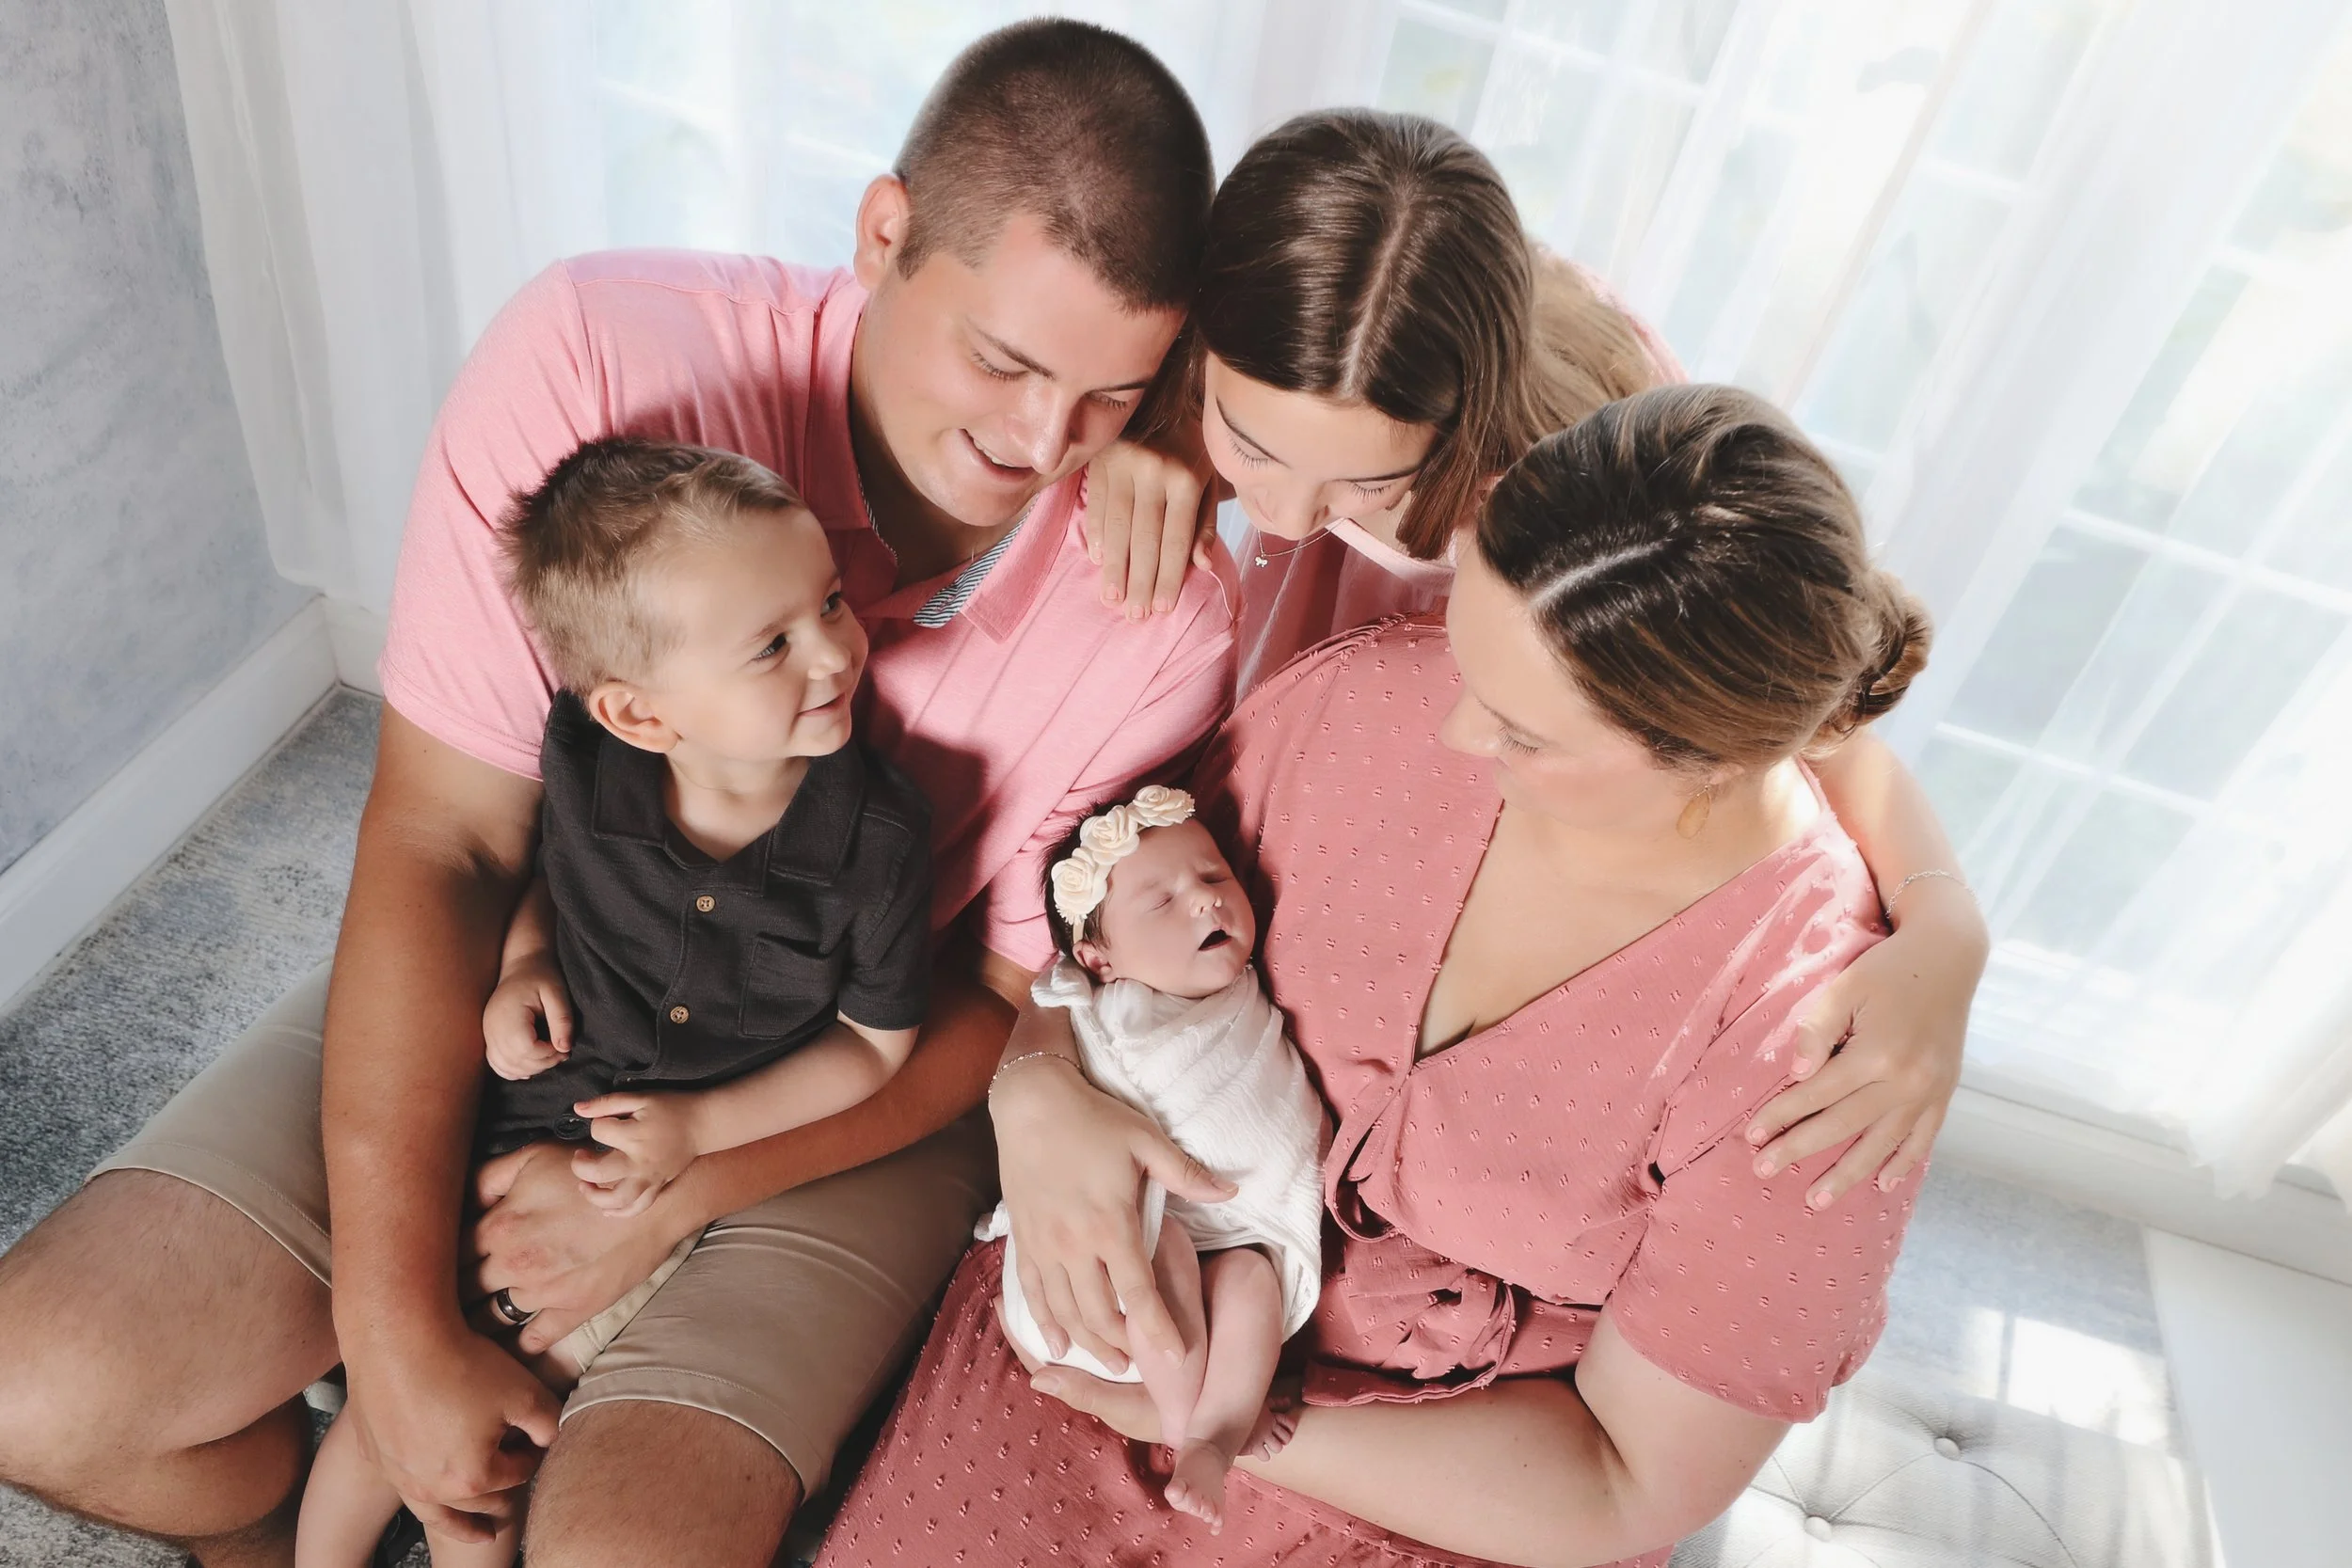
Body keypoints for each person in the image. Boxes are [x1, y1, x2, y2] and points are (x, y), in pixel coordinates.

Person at [0, 22, 1237, 1568]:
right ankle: (304, 1482)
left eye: (1112, 397)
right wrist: (392, 1328)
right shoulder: (599, 356)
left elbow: (987, 1004)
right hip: (580, 971)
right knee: (39, 1390)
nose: (1036, 444)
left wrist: (680, 1190)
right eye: (1002, 358)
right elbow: (449, 834)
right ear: (883, 234)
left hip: (850, 1080)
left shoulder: (1159, 612)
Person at [819, 383, 1939, 1568]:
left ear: (1705, 755)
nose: (1456, 735)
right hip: (1125, 1303)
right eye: (1466, 661)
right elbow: (1104, 945)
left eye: (1522, 729)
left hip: (1461, 1480)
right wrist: (1035, 1092)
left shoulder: (1822, 1049)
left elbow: (1621, 1483)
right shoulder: (1362, 706)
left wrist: (1231, 1425)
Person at [1078, 109, 1983, 1239]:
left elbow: (1780, 708)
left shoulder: (1576, 476)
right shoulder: (1225, 344)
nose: (1286, 515)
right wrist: (1152, 427)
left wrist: (1946, 924)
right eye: (1251, 443)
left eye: (1367, 482)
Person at [296, 438, 935, 1566]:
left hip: (687, 1164)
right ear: (640, 715)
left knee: (514, 1419)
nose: (836, 650)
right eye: (773, 646)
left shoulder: (874, 844)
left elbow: (875, 1048)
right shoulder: (592, 760)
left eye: (829, 601)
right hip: (531, 1113)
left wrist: (702, 1130)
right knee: (399, 1398)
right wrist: (523, 962)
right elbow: (552, 867)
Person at [980, 784, 1325, 1531]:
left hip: (1231, 1226)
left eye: (1213, 877)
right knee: (1160, 1245)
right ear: (1098, 955)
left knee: (1253, 1279)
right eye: (1161, 902)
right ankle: (1181, 1421)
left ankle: (1218, 1425)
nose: (1206, 903)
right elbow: (1041, 1024)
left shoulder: (1245, 993)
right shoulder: (1089, 998)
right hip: (1123, 1234)